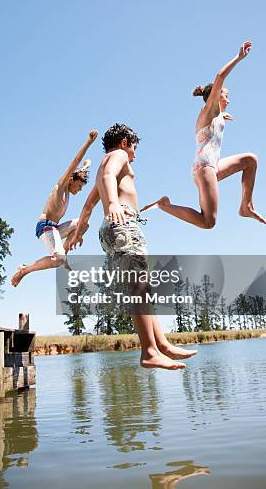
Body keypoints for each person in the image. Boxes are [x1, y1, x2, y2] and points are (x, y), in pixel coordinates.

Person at [69, 123, 197, 370]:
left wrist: (77, 233)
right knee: (139, 286)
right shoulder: (117, 156)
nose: (135, 154)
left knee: (141, 286)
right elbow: (107, 179)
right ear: (125, 142)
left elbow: (87, 208)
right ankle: (149, 351)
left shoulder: (104, 167)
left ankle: (161, 344)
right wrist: (115, 204)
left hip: (112, 229)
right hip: (124, 223)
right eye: (134, 147)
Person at [141, 41, 266, 228]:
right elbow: (220, 77)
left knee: (251, 160)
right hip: (205, 166)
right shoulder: (208, 110)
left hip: (211, 166)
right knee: (208, 222)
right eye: (225, 95)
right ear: (215, 96)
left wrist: (222, 116)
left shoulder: (214, 115)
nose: (228, 99)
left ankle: (245, 206)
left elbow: (211, 124)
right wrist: (239, 57)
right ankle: (164, 205)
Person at [11, 130, 98, 287]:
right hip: (45, 227)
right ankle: (26, 270)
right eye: (78, 187)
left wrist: (86, 167)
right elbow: (75, 162)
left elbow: (79, 172)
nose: (78, 191)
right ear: (70, 180)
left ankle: (63, 253)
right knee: (58, 260)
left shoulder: (73, 182)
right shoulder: (61, 186)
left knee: (84, 222)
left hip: (55, 228)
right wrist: (89, 142)